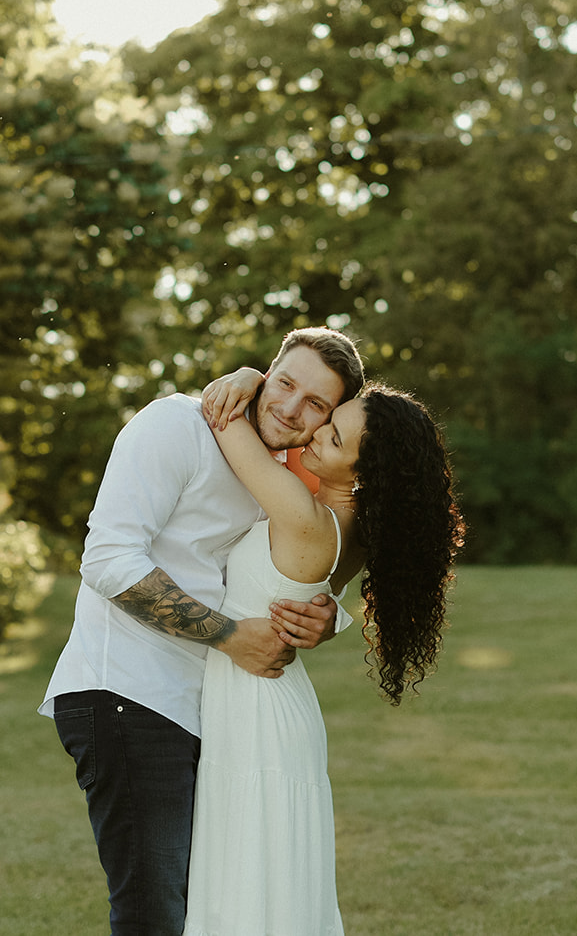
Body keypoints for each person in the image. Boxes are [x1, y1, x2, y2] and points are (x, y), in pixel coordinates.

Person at [40, 327, 365, 936]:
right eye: (285, 384)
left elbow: (311, 551)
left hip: (206, 710)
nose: (291, 408)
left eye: (315, 404)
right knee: (153, 911)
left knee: (201, 910)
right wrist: (227, 636)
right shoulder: (176, 425)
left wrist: (327, 615)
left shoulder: (279, 467)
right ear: (266, 372)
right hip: (127, 694)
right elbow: (109, 560)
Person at [182, 368, 464, 936]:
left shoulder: (304, 516)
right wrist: (332, 615)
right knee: (261, 882)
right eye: (328, 422)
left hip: (256, 706)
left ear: (366, 473)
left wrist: (250, 377)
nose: (312, 433)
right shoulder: (353, 529)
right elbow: (318, 597)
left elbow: (225, 418)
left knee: (247, 883)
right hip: (268, 699)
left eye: (332, 437)